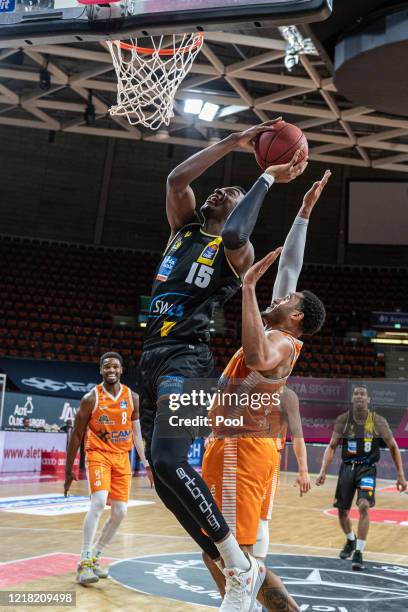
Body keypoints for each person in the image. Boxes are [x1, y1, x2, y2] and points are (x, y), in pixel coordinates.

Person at [139, 120, 308, 611]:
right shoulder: (185, 227)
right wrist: (234, 144)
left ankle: (239, 565)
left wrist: (267, 178)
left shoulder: (237, 253)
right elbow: (176, 181)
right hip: (150, 360)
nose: (219, 191)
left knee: (172, 461)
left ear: (244, 209)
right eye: (218, 189)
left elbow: (237, 229)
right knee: (163, 479)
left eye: (231, 192)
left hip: (188, 362)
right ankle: (233, 564)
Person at [201, 171, 330, 610]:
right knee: (217, 553)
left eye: (287, 301)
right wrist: (304, 213)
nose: (282, 297)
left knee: (235, 560)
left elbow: (256, 358)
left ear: (296, 318)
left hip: (242, 452)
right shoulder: (280, 329)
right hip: (235, 447)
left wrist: (252, 289)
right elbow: (290, 264)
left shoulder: (280, 341)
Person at [64, 352, 154, 585]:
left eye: (115, 366)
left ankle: (95, 555)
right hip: (98, 455)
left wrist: (146, 464)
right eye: (106, 367)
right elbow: (76, 434)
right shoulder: (90, 398)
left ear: (122, 370)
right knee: (98, 502)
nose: (111, 370)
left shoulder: (132, 397)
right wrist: (68, 468)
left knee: (120, 512)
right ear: (101, 370)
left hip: (122, 457)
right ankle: (83, 563)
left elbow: (136, 434)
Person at [316, 385, 407, 570]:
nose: (359, 396)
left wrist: (400, 475)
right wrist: (323, 470)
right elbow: (332, 446)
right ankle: (351, 539)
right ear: (352, 399)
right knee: (342, 512)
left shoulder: (378, 421)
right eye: (356, 393)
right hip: (347, 468)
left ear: (368, 399)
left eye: (362, 394)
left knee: (364, 506)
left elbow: (393, 446)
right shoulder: (343, 420)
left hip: (367, 468)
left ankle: (359, 552)